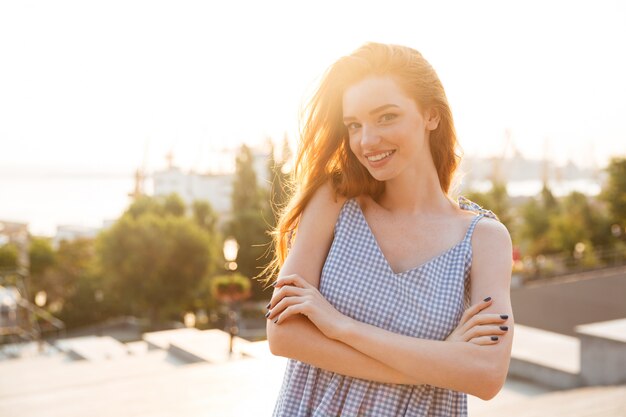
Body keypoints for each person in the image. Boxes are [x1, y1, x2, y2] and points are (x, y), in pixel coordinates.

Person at [263, 42, 513, 417]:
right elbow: (283, 334)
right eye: (354, 125)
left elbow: (486, 374)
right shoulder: (334, 200)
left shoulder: (484, 240)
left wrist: (339, 326)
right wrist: (440, 364)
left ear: (431, 115)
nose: (366, 140)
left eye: (386, 117)